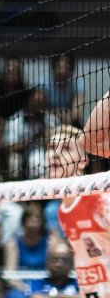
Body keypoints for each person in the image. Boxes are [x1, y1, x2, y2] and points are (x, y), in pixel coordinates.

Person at [49, 115, 110, 298]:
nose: (55, 153)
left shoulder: (101, 202)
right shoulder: (62, 211)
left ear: (83, 161)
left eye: (66, 148)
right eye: (51, 147)